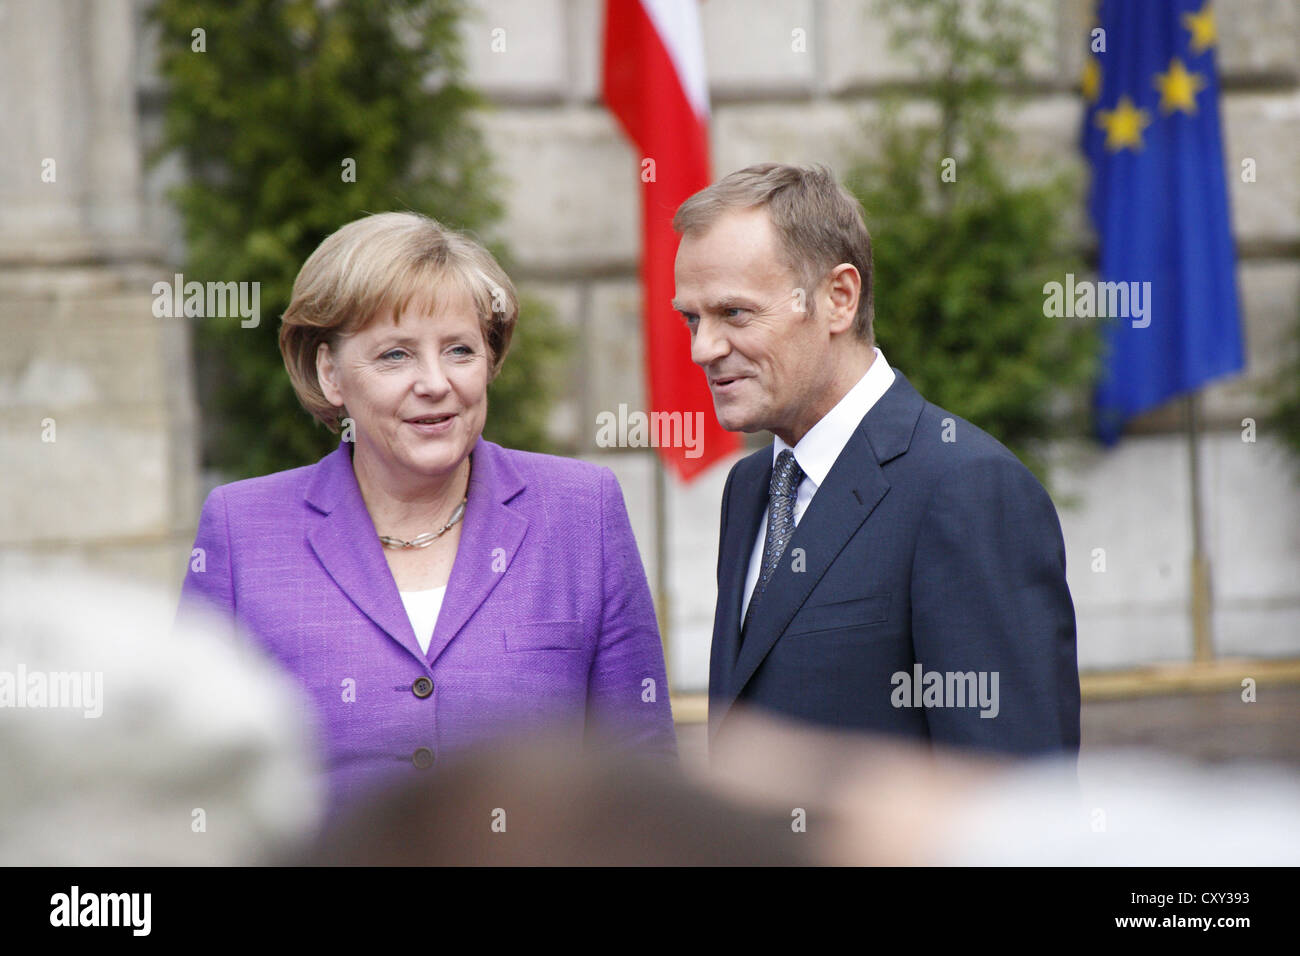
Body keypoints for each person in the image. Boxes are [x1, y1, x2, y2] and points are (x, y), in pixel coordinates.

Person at [178, 211, 675, 817]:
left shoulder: (581, 510)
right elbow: (189, 785)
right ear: (329, 373)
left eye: (459, 350)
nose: (435, 382)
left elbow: (644, 776)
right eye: (395, 356)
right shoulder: (242, 526)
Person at [671, 163, 1079, 756]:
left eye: (734, 313)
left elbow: (1014, 797)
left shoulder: (966, 487)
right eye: (691, 318)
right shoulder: (751, 485)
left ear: (838, 299)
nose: (702, 348)